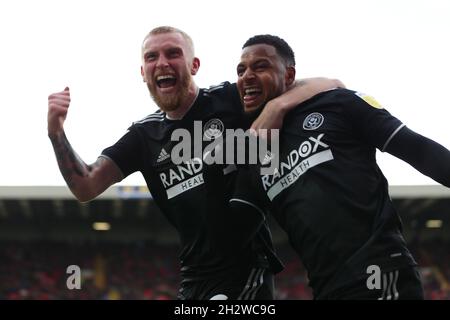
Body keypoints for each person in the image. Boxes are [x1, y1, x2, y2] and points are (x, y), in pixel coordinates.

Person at [47, 26, 342, 300]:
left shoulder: (230, 98)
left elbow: (331, 85)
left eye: (173, 53)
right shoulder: (143, 136)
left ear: (194, 65)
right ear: (143, 72)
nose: (162, 62)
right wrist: (56, 133)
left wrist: (278, 105)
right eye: (152, 57)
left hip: (245, 268)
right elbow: (85, 185)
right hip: (193, 277)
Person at [205, 34, 450, 300]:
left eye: (260, 66)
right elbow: (232, 232)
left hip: (380, 272)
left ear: (289, 76)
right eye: (241, 70)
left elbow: (419, 149)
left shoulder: (338, 104)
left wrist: (279, 105)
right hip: (326, 288)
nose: (247, 76)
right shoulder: (252, 152)